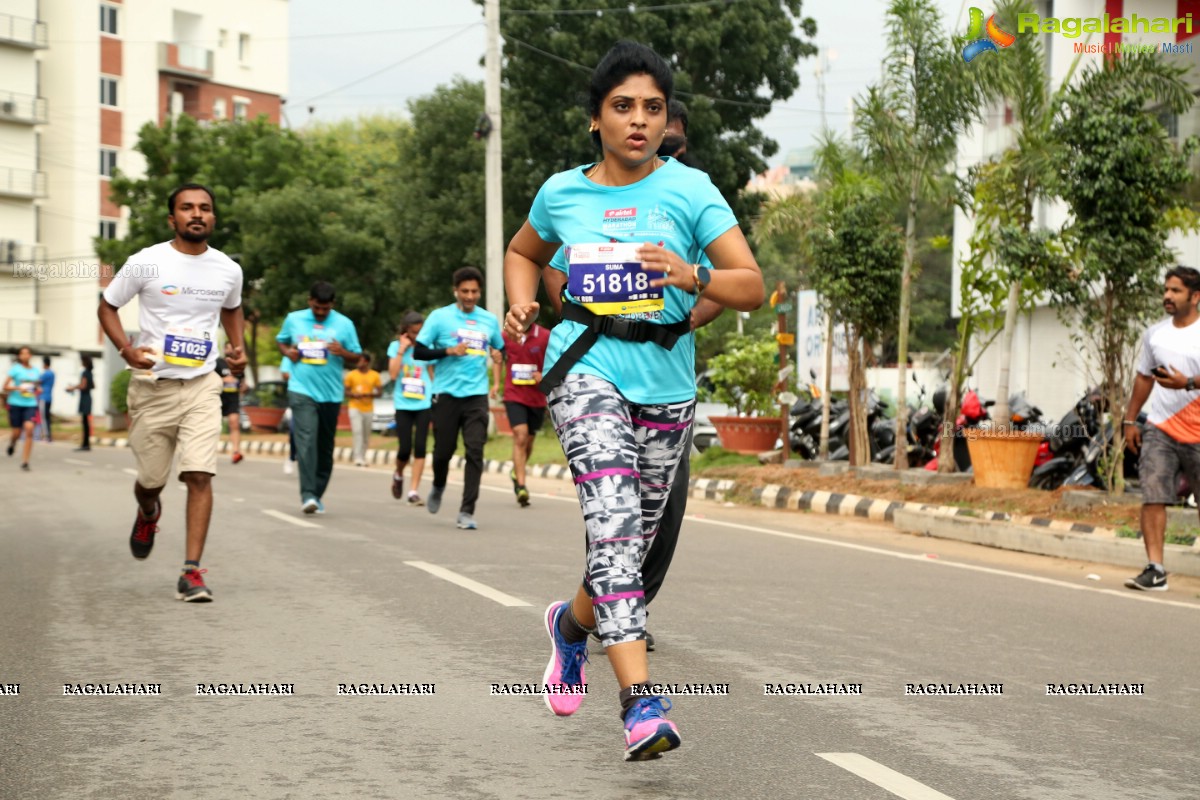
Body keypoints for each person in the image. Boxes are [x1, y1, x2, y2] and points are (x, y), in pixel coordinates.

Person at [503, 41, 763, 760]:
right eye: (623, 107)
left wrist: (691, 275)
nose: (638, 121)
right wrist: (523, 305)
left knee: (634, 546)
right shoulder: (563, 192)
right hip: (585, 371)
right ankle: (640, 704)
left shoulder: (691, 190)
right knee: (613, 526)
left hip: (667, 385)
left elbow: (750, 285)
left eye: (651, 107)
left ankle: (570, 626)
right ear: (596, 119)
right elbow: (524, 253)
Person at [97, 183, 246, 603]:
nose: (196, 214)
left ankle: (191, 571)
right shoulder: (146, 263)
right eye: (187, 208)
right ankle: (148, 511)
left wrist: (238, 349)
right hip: (152, 388)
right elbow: (107, 306)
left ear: (213, 218)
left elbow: (231, 308)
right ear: (172, 219)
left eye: (205, 208)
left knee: (199, 473)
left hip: (202, 383)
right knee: (151, 481)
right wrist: (127, 350)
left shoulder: (227, 269)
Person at [1123, 266, 1200, 592]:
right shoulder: (1155, 333)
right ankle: (1155, 570)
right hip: (1161, 427)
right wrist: (1130, 420)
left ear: (1195, 297)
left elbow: (1186, 381)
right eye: (1166, 289)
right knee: (1153, 495)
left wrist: (1190, 383)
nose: (1167, 296)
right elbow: (1145, 377)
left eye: (1176, 291)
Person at [412, 266, 504, 530]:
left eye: (475, 291)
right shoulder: (439, 318)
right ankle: (439, 484)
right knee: (443, 452)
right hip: (446, 394)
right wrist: (448, 350)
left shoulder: (488, 320)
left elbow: (499, 348)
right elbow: (419, 352)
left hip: (476, 396)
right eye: (465, 291)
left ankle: (466, 511)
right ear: (455, 291)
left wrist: (499, 355)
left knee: (475, 450)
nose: (470, 296)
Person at [277, 281, 361, 514]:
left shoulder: (345, 324)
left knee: (325, 447)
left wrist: (342, 352)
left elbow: (357, 357)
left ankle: (316, 493)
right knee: (306, 439)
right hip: (301, 389)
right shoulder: (294, 319)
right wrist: (288, 352)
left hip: (331, 394)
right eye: (317, 308)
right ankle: (307, 494)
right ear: (309, 301)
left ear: (332, 304)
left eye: (325, 309)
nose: (321, 313)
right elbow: (281, 341)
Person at [493, 321, 550, 507]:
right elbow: (498, 357)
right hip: (514, 395)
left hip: (536, 398)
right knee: (520, 435)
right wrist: (495, 384)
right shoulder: (505, 335)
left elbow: (555, 359)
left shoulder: (545, 336)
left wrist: (544, 375)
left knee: (529, 441)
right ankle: (521, 486)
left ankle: (517, 470)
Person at [388, 312, 434, 505]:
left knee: (421, 447)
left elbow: (432, 373)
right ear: (406, 331)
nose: (417, 336)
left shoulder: (428, 347)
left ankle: (413, 490)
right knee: (405, 449)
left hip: (424, 403)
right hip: (403, 404)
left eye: (420, 332)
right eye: (414, 332)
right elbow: (392, 374)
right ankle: (398, 474)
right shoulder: (395, 347)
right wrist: (401, 349)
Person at [5, 346, 41, 471]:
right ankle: (12, 444)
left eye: (27, 353)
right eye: (22, 354)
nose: (25, 356)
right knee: (16, 432)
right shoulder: (15, 370)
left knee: (29, 429)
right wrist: (18, 388)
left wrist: (37, 389)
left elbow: (36, 386)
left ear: (30, 355)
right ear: (20, 356)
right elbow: (5, 387)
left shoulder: (36, 371)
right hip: (15, 403)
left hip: (30, 404)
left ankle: (25, 461)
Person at [345, 352, 382, 467]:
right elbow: (345, 391)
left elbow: (380, 392)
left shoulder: (375, 375)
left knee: (366, 434)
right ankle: (357, 457)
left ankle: (363, 456)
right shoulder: (351, 375)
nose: (358, 363)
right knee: (357, 432)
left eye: (360, 360)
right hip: (354, 407)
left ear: (366, 362)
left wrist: (369, 394)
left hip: (368, 408)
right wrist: (353, 395)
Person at [215, 341, 246, 463]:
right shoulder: (218, 363)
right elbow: (209, 379)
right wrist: (224, 380)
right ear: (224, 349)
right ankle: (208, 450)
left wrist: (243, 386)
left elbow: (242, 381)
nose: (231, 350)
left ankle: (236, 451)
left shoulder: (238, 365)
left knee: (234, 423)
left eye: (233, 348)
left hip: (233, 398)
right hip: (218, 398)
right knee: (214, 426)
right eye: (228, 348)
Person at [66, 355, 94, 451]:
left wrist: (72, 388)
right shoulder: (90, 373)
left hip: (85, 398)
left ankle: (85, 444)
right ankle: (86, 443)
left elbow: (83, 385)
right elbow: (93, 385)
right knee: (86, 422)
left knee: (85, 422)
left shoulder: (85, 373)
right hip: (88, 397)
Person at [280, 356, 297, 475]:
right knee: (294, 431)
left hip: (318, 400)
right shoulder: (291, 355)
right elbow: (285, 374)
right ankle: (291, 457)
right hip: (297, 400)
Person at [38, 355, 55, 442]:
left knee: (43, 418)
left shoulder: (45, 373)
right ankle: (48, 435)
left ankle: (46, 436)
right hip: (49, 397)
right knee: (47, 418)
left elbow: (38, 381)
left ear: (45, 364)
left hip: (43, 397)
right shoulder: (52, 373)